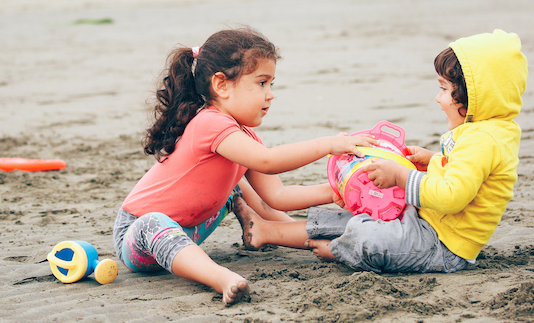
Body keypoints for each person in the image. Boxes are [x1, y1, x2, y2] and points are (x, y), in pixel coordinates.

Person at [113, 28, 376, 305]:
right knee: (154, 221)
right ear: (222, 85)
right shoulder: (209, 123)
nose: (271, 94)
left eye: (272, 84)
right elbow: (269, 161)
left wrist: (338, 188)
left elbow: (279, 197)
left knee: (237, 189)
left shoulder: (245, 137)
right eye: (262, 83)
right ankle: (219, 277)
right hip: (139, 236)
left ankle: (280, 233)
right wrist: (327, 144)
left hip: (190, 229)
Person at [233, 29, 528, 274]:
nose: (438, 99)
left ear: (475, 97)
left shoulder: (483, 139)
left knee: (367, 235)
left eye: (444, 89)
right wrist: (434, 160)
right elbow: (468, 173)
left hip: (443, 246)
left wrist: (401, 176)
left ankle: (338, 251)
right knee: (359, 214)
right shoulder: (484, 133)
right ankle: (265, 231)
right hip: (428, 222)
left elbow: (454, 196)